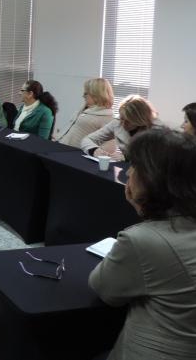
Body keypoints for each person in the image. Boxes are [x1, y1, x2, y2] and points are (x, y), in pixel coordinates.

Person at [88, 129, 196, 360]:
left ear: (151, 179)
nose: (129, 173)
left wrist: (142, 209)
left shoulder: (141, 241)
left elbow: (104, 289)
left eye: (134, 167)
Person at [81, 95, 161, 161]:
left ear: (140, 119)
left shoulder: (156, 130)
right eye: (122, 118)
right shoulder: (117, 122)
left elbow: (156, 159)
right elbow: (87, 139)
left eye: (129, 121)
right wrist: (94, 150)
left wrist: (126, 158)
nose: (123, 124)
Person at [56, 78, 115, 151]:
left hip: (75, 155)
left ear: (96, 94)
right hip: (62, 148)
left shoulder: (107, 116)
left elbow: (110, 147)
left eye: (86, 93)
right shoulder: (85, 108)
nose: (83, 96)